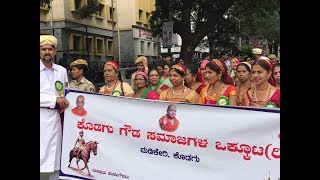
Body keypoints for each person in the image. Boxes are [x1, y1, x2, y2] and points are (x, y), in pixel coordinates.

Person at [40, 35, 69, 180]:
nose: (47, 52)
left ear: (55, 52)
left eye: (50, 49)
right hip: (41, 117)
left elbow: (66, 93)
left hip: (57, 119)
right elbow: (57, 97)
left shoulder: (61, 71)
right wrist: (54, 99)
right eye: (43, 49)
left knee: (57, 160)